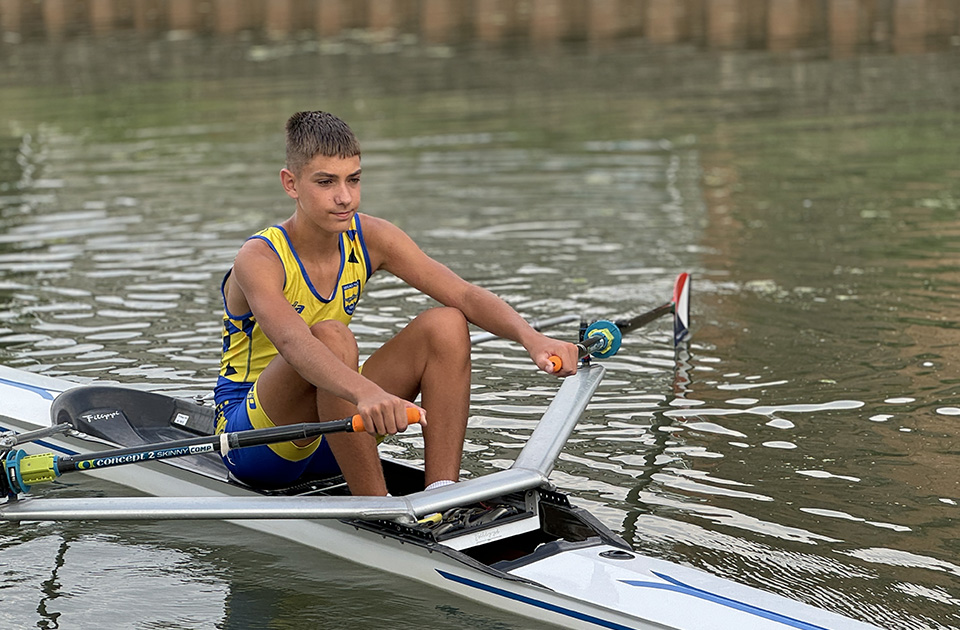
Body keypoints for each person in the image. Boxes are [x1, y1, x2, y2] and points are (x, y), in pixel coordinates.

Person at [214, 111, 578, 496]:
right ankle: (376, 503)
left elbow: (465, 294)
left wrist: (532, 338)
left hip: (335, 432)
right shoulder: (259, 258)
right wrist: (364, 393)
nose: (345, 197)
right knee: (333, 338)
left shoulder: (371, 237)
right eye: (326, 182)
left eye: (353, 180)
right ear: (291, 183)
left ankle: (441, 493)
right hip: (255, 443)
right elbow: (293, 343)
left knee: (446, 323)